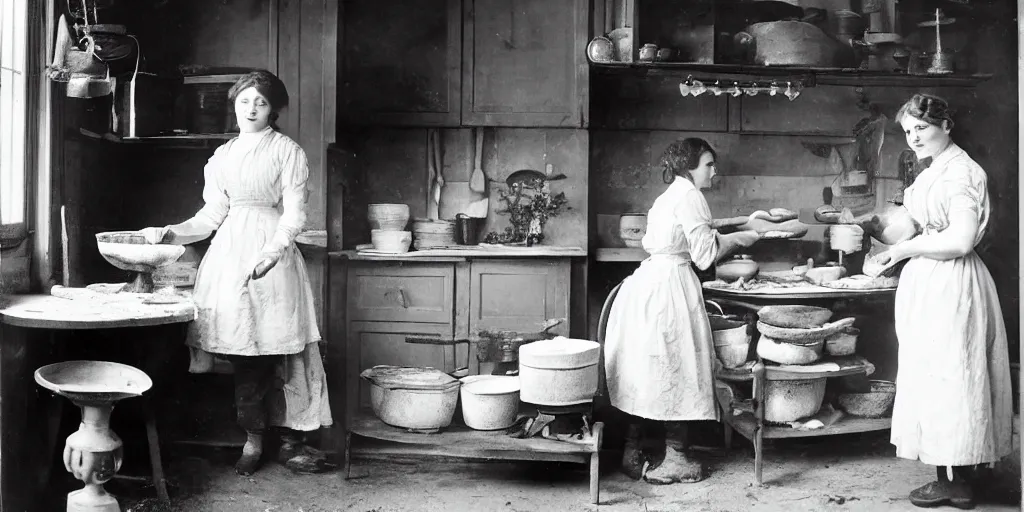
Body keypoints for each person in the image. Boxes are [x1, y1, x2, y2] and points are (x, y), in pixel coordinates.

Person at [142, 70, 332, 476]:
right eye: (244, 101)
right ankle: (253, 438)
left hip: (272, 257)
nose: (251, 109)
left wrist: (273, 253)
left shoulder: (288, 152)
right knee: (244, 349)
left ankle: (291, 440)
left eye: (260, 102)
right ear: (234, 105)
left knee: (283, 348)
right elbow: (211, 216)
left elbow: (295, 215)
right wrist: (169, 231)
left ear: (273, 109)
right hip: (229, 255)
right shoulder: (223, 157)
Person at [876, 93, 1012, 509]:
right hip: (933, 283)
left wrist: (903, 251)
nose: (914, 138)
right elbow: (916, 221)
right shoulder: (936, 169)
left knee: (955, 376)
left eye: (922, 128)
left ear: (946, 126)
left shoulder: (959, 173)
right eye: (908, 131)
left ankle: (957, 481)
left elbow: (959, 238)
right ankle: (956, 472)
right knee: (940, 375)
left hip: (952, 283)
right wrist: (875, 226)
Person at [603, 138, 760, 484]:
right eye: (708, 164)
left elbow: (694, 229)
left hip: (647, 284)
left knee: (646, 369)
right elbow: (705, 257)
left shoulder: (670, 195)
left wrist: (741, 222)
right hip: (671, 287)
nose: (713, 171)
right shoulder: (691, 196)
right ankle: (675, 457)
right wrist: (744, 238)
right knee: (678, 366)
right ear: (690, 166)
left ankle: (633, 451)